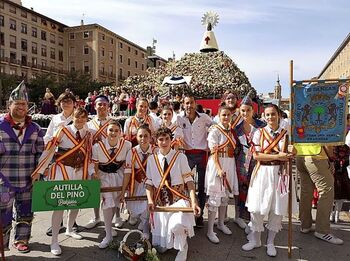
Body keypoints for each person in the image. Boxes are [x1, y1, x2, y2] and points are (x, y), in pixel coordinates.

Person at [32, 107, 94, 255]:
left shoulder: (88, 133)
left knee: (76, 202)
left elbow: (89, 155)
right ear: (73, 116)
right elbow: (50, 150)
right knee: (59, 205)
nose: (80, 120)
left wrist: (91, 172)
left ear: (86, 118)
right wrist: (39, 170)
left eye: (83, 117)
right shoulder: (63, 130)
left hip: (79, 171)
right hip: (63, 170)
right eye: (78, 117)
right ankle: (54, 240)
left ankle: (69, 229)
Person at [242, 104, 296, 257]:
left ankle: (271, 242)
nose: (270, 117)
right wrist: (277, 156)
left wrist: (292, 152)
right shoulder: (259, 133)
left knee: (276, 208)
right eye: (267, 115)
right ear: (263, 117)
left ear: (279, 115)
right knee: (257, 207)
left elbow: (291, 153)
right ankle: (255, 239)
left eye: (273, 114)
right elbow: (257, 156)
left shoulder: (286, 134)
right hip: (263, 173)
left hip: (281, 173)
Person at [0, 81, 44, 253]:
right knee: (2, 213)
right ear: (9, 105)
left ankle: (21, 240)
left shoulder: (35, 129)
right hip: (4, 179)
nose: (21, 107)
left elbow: (41, 153)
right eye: (17, 103)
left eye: (24, 104)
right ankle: (2, 244)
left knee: (26, 212)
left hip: (28, 178)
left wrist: (39, 172)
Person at [145, 127, 200, 261]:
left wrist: (193, 202)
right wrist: (150, 201)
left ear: (171, 140)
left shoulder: (180, 157)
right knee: (161, 246)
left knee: (178, 224)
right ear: (156, 141)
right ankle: (168, 241)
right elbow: (149, 183)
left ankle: (183, 248)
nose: (164, 142)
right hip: (160, 201)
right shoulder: (152, 159)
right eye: (161, 139)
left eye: (167, 139)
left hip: (178, 199)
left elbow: (189, 182)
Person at [92, 119, 131, 248]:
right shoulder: (97, 146)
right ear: (105, 132)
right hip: (104, 176)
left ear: (120, 132)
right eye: (110, 130)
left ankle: (110, 227)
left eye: (116, 130)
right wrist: (95, 177)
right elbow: (95, 166)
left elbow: (127, 164)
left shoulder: (127, 145)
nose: (113, 133)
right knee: (107, 203)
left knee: (115, 202)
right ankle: (108, 235)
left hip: (119, 175)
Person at [296, 140, 343, 244]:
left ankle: (305, 225)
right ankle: (322, 230)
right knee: (326, 191)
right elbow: (327, 141)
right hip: (317, 156)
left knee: (306, 191)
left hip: (301, 154)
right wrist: (331, 160)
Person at [43, 92, 78, 236]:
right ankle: (59, 223)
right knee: (60, 190)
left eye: (69, 101)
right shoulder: (55, 118)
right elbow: (47, 137)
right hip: (60, 158)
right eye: (63, 101)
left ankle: (72, 223)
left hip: (75, 159)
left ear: (74, 103)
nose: (66, 104)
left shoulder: (79, 117)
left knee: (73, 190)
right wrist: (51, 143)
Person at [177, 94, 213, 227]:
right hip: (187, 155)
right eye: (186, 103)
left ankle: (200, 215)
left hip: (202, 154)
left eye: (191, 103)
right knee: (185, 183)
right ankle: (187, 212)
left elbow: (215, 126)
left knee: (202, 186)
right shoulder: (179, 118)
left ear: (195, 103)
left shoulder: (203, 117)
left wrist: (211, 138)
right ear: (183, 104)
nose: (189, 106)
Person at [205, 106, 239, 244]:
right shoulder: (214, 131)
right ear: (219, 116)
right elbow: (213, 152)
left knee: (225, 196)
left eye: (228, 115)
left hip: (229, 163)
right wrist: (218, 169)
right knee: (215, 197)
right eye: (223, 115)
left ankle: (221, 223)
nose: (226, 117)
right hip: (217, 164)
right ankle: (209, 230)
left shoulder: (231, 131)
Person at [234, 96, 266, 231]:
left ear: (253, 110)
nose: (245, 113)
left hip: (257, 159)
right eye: (243, 111)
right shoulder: (237, 127)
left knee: (256, 188)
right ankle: (240, 216)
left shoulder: (261, 125)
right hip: (242, 160)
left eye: (248, 110)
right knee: (241, 188)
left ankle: (254, 217)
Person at [85, 95, 117, 229]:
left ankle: (116, 217)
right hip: (94, 161)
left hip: (110, 161)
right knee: (95, 190)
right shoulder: (88, 124)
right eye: (99, 104)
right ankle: (97, 217)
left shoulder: (113, 122)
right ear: (94, 106)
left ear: (108, 107)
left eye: (104, 104)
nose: (102, 107)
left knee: (113, 190)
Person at [121, 124, 153, 237]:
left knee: (147, 205)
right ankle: (137, 217)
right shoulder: (132, 152)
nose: (143, 139)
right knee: (134, 208)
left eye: (146, 136)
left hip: (151, 185)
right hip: (137, 184)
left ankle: (145, 227)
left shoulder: (156, 151)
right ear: (137, 137)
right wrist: (123, 191)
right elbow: (127, 173)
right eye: (140, 136)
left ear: (150, 137)